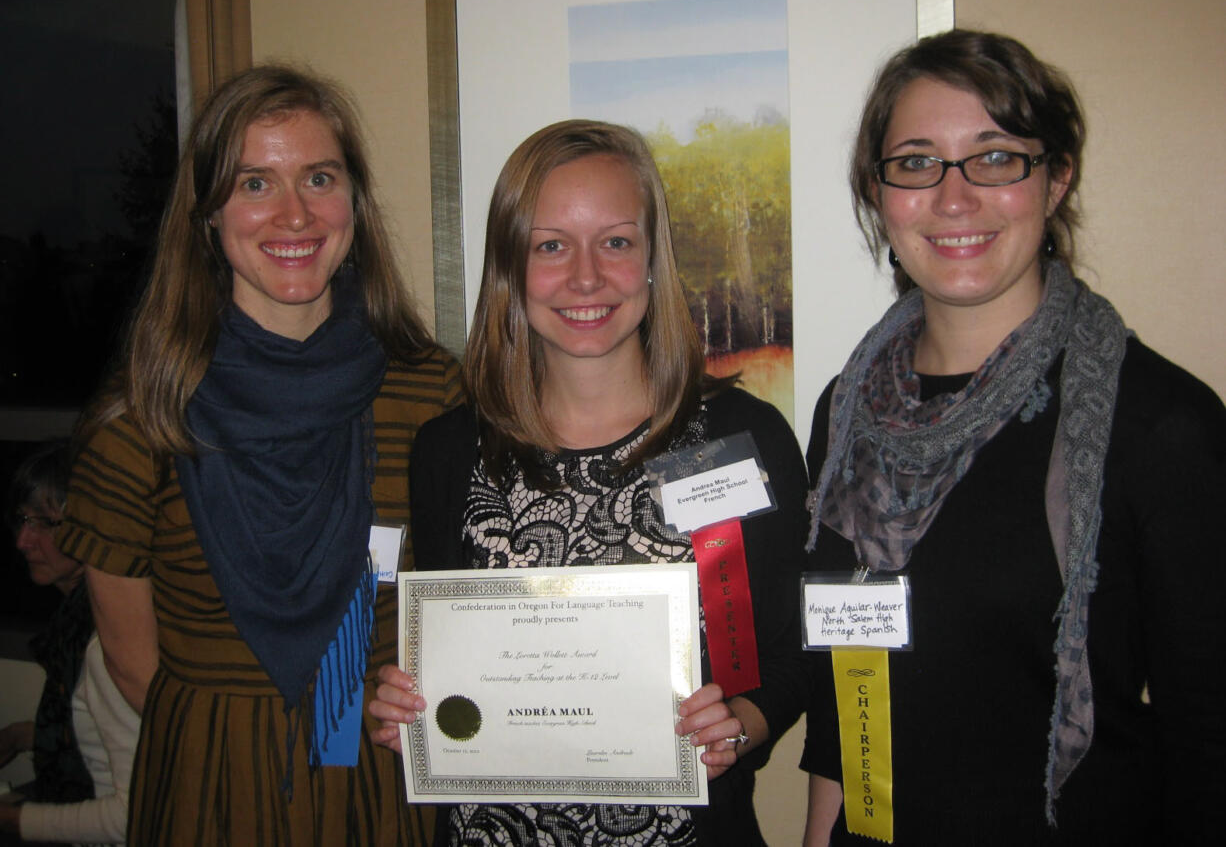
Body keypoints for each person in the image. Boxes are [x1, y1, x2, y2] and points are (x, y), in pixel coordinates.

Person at [801, 29, 1226, 845]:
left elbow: (1207, 734)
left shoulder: (1159, 425)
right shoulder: (848, 412)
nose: (954, 198)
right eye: (917, 161)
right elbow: (848, 686)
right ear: (879, 191)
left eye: (995, 158)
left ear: (1055, 177)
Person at [368, 120, 810, 846]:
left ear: (650, 260)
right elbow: (447, 657)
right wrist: (406, 706)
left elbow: (792, 649)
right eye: (550, 246)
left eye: (614, 241)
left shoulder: (739, 439)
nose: (585, 277)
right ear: (510, 266)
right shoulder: (448, 454)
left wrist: (745, 722)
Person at [56, 65, 462, 845]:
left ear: (355, 201)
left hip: (382, 783)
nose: (295, 214)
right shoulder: (138, 417)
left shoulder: (430, 394)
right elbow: (133, 663)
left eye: (319, 177)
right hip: (211, 790)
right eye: (254, 183)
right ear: (208, 213)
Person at [0, 442, 140, 844]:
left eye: (45, 523)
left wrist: (14, 820)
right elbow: (90, 735)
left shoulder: (104, 642)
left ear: (89, 527)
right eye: (22, 520)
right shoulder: (72, 624)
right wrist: (19, 735)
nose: (23, 541)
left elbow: (132, 815)